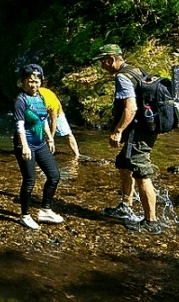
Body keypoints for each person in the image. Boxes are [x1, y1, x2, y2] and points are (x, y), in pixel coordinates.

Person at [96, 44, 162, 234]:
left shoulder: (122, 77)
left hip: (139, 129)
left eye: (103, 62)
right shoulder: (137, 70)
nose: (102, 66)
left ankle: (151, 222)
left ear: (111, 60)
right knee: (123, 162)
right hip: (148, 126)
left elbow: (130, 108)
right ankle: (126, 205)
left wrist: (118, 131)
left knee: (141, 171)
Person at [12, 64, 63, 230]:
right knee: (29, 180)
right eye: (30, 81)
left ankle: (45, 210)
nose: (33, 85)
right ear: (23, 82)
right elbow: (20, 125)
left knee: (54, 175)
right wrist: (25, 147)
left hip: (40, 143)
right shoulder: (21, 100)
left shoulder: (41, 96)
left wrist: (50, 139)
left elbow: (43, 120)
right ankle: (25, 215)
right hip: (25, 144)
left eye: (36, 81)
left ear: (41, 82)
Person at [39, 84, 81, 158]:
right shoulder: (31, 98)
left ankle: (77, 155)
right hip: (39, 112)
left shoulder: (51, 103)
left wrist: (51, 138)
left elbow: (54, 121)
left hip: (57, 113)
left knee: (68, 134)